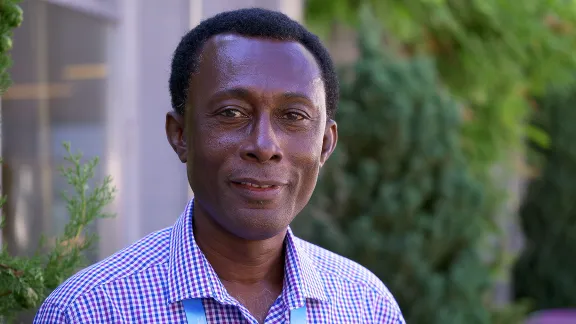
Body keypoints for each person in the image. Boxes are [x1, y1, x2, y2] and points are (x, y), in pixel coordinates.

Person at [33, 8, 405, 324]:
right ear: (180, 135)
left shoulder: (366, 306)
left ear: (325, 143)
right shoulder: (89, 311)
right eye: (231, 113)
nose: (264, 146)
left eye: (293, 116)